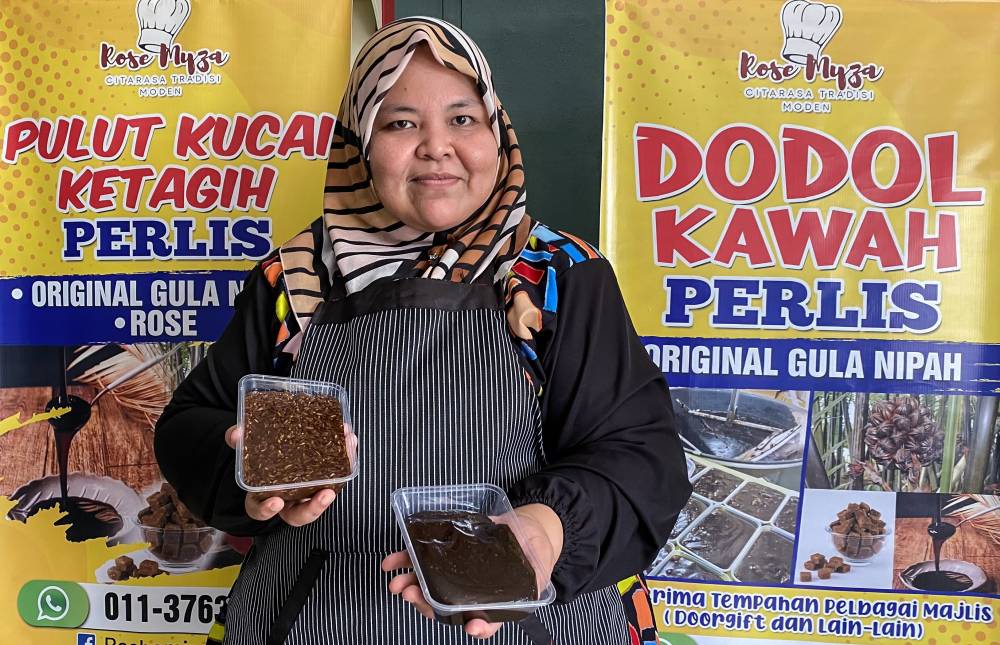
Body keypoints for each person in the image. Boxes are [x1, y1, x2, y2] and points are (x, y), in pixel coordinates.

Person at [154, 16, 691, 645]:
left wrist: (546, 530)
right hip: (318, 620)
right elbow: (193, 422)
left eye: (463, 119)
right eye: (400, 122)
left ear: (497, 134)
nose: (436, 145)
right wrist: (253, 471)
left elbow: (641, 456)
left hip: (531, 618)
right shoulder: (293, 279)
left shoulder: (558, 276)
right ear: (361, 143)